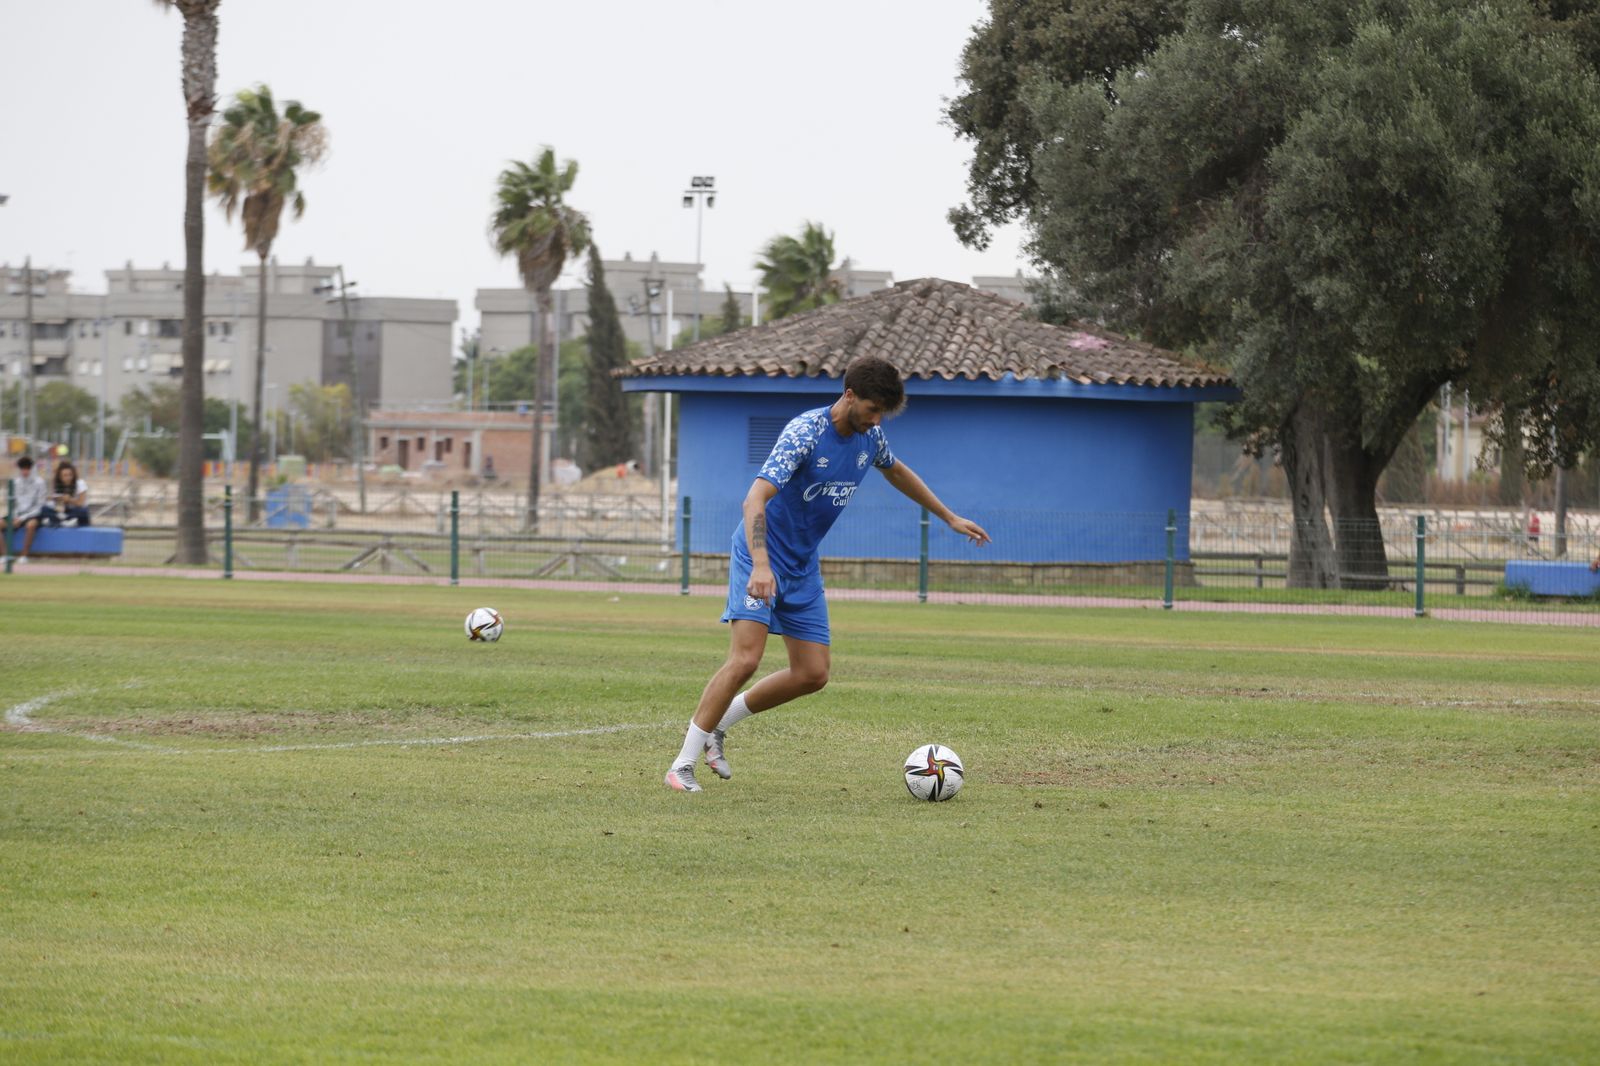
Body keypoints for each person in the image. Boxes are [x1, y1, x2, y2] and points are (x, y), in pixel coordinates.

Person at [664, 356, 991, 793]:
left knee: (812, 674)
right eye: (872, 409)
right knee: (746, 659)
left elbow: (896, 470)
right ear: (849, 395)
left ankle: (719, 725)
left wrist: (949, 517)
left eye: (883, 414)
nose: (877, 420)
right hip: (760, 554)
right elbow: (754, 500)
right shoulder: (806, 433)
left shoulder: (869, 435)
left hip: (801, 564)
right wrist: (761, 565)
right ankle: (681, 766)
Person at [3, 455, 48, 565]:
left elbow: (39, 506)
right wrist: (15, 517)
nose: (25, 471)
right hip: (17, 514)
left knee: (30, 525)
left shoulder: (40, 483)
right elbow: (12, 504)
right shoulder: (14, 482)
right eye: (23, 469)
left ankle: (24, 555)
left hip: (34, 514)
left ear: (32, 468)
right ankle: (5, 555)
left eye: (27, 468)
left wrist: (22, 518)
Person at [40, 460, 90, 527]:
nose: (68, 478)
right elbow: (59, 507)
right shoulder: (58, 485)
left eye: (70, 475)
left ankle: (59, 520)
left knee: (83, 511)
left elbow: (81, 503)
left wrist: (70, 500)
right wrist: (55, 499)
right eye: (65, 475)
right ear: (60, 477)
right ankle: (65, 520)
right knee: (44, 509)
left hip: (76, 511)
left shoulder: (80, 483)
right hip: (64, 512)